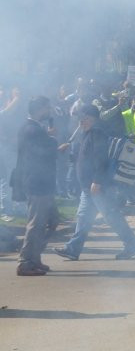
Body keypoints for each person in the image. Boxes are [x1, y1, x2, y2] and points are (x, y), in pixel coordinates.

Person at [54, 104, 135, 261]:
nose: (80, 122)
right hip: (88, 187)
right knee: (83, 217)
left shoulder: (97, 133)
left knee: (111, 216)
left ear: (92, 119)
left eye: (84, 118)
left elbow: (101, 160)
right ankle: (72, 249)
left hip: (97, 186)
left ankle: (132, 245)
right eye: (80, 119)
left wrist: (97, 181)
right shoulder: (87, 133)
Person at [14, 96, 58, 276]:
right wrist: (54, 140)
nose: (49, 111)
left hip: (42, 182)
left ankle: (35, 258)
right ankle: (25, 262)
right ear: (40, 109)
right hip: (36, 183)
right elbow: (40, 153)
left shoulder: (35, 128)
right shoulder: (31, 129)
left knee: (50, 221)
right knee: (36, 223)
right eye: (47, 108)